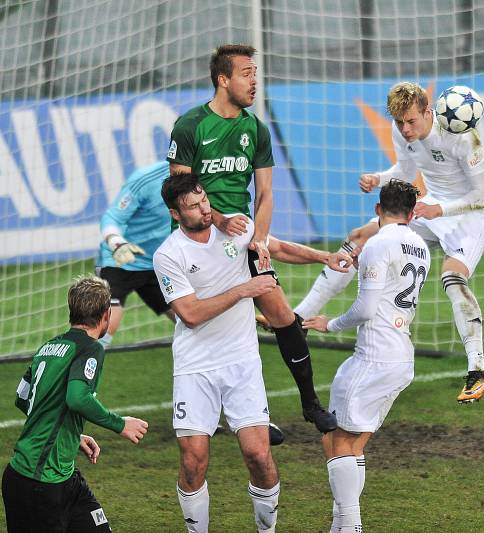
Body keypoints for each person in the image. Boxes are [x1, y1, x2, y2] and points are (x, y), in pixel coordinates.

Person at [167, 43, 337, 432]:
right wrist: (220, 218)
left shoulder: (255, 129)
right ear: (222, 79)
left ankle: (309, 404)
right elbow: (179, 189)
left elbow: (265, 194)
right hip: (200, 238)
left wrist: (259, 239)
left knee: (280, 313)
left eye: (256, 74)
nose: (254, 81)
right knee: (206, 325)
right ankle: (239, 413)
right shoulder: (190, 126)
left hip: (240, 237)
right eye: (246, 74)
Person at [296, 81, 484, 404]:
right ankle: (299, 319)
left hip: (472, 214)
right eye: (399, 121)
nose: (404, 129)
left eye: (411, 121)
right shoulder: (399, 129)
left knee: (452, 277)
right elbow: (403, 170)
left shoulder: (464, 137)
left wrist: (439, 208)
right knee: (360, 238)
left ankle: (477, 372)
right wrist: (379, 178)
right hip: (432, 208)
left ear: (427, 112)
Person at [153, 173, 283, 533]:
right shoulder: (168, 255)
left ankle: (267, 530)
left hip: (242, 362)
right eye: (193, 206)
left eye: (204, 200)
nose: (204, 209)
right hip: (195, 366)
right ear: (175, 214)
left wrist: (324, 256)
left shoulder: (233, 228)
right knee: (193, 460)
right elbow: (191, 315)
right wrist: (245, 290)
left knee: (258, 455)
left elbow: (276, 246)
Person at [303, 179, 430, 533]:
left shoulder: (378, 244)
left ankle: (351, 526)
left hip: (374, 356)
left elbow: (366, 308)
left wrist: (330, 324)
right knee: (353, 444)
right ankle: (341, 525)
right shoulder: (422, 247)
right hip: (401, 356)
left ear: (378, 210)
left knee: (335, 440)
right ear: (413, 213)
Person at [2, 276, 149, 533]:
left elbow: (24, 397)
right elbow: (77, 397)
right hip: (41, 482)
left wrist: (71, 433)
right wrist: (120, 424)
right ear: (106, 314)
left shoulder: (49, 346)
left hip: (58, 478)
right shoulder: (90, 349)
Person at [95, 160, 175, 348]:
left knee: (191, 320)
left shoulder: (208, 178)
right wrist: (116, 242)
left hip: (159, 263)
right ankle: (77, 373)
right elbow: (112, 217)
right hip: (122, 261)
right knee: (104, 328)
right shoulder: (146, 179)